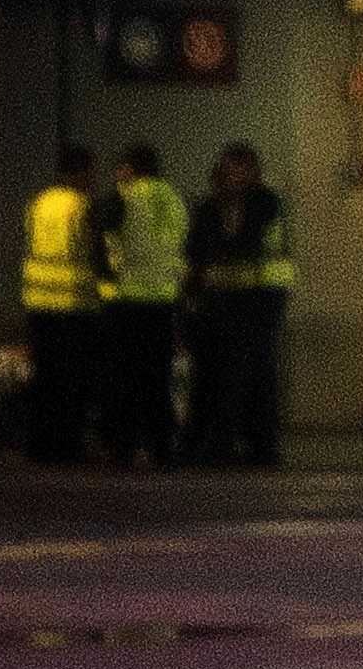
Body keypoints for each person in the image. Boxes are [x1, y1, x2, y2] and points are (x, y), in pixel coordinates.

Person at [186, 141, 295, 469]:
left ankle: (252, 443)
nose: (235, 175)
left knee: (249, 371)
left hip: (260, 297)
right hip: (224, 300)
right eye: (230, 168)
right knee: (228, 372)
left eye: (242, 168)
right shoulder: (210, 206)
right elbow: (197, 249)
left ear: (253, 172)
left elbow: (242, 241)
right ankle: (234, 441)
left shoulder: (264, 201)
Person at [101, 138, 195, 470]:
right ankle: (161, 448)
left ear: (128, 168)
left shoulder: (126, 196)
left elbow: (106, 235)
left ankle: (123, 447)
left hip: (127, 300)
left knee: (125, 379)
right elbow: (180, 244)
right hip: (164, 300)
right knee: (157, 379)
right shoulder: (173, 198)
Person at [14, 163, 107, 462]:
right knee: (72, 381)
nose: (92, 180)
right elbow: (95, 250)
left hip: (39, 302)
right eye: (89, 174)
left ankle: (39, 445)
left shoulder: (39, 203)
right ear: (78, 174)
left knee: (44, 378)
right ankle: (67, 445)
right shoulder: (82, 205)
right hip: (74, 305)